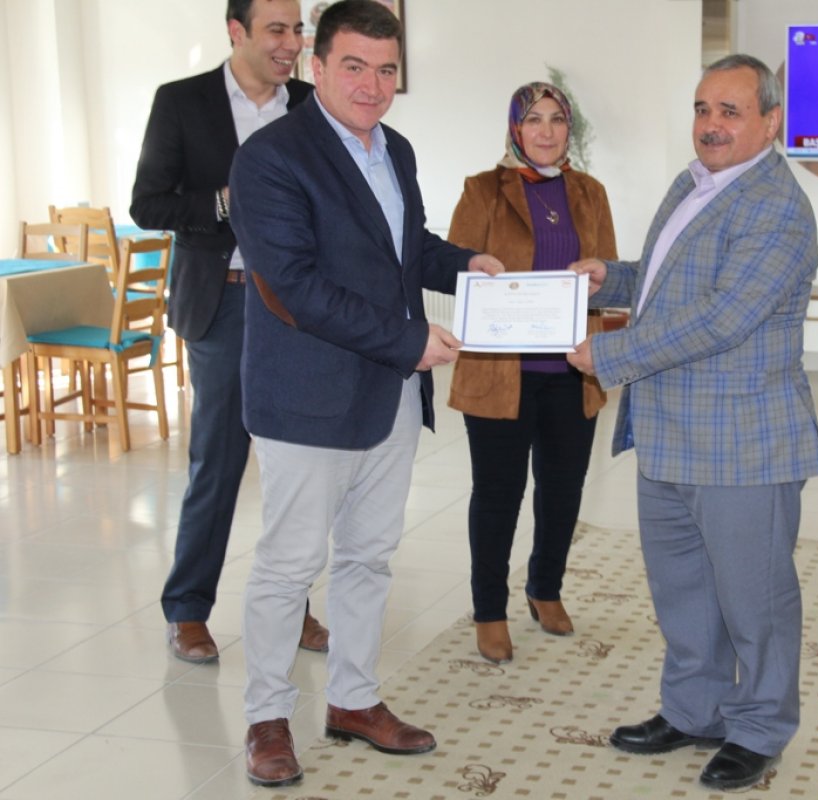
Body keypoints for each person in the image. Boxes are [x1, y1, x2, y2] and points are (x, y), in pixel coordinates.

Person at [226, 0, 504, 788]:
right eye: (354, 66)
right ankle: (267, 718)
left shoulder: (396, 149)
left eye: (386, 70)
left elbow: (403, 249)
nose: (372, 85)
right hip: (307, 398)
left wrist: (465, 264)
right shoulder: (271, 158)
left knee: (369, 558)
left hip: (388, 396)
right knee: (289, 567)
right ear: (317, 67)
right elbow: (296, 287)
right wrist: (410, 341)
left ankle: (352, 700)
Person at [566, 54, 818, 793]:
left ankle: (760, 728)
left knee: (755, 600)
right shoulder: (697, 181)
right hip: (669, 433)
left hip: (743, 444)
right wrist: (612, 277)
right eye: (703, 108)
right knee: (683, 592)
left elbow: (723, 316)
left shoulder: (776, 205)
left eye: (730, 111)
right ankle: (694, 711)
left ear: (770, 122)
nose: (711, 124)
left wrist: (610, 354)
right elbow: (673, 280)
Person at [130, 0, 328, 665]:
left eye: (297, 30)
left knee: (296, 465)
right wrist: (223, 201)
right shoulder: (182, 102)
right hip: (223, 304)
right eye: (277, 30)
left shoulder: (309, 104)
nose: (291, 43)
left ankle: (292, 603)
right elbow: (148, 203)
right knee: (217, 460)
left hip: (297, 308)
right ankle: (187, 609)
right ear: (236, 31)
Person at [446, 82, 617, 665]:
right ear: (515, 128)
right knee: (498, 494)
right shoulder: (483, 189)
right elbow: (456, 270)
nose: (546, 131)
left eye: (557, 119)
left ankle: (545, 587)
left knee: (564, 489)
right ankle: (489, 610)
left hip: (573, 370)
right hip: (501, 373)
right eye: (534, 119)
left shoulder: (590, 192)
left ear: (570, 129)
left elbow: (608, 277)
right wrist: (490, 281)